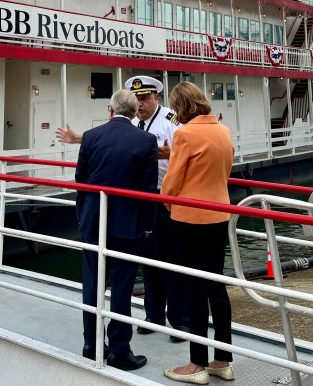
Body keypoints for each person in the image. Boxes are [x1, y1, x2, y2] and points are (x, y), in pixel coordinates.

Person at [76, 88, 157, 372]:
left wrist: (83, 218)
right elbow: (148, 191)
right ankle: (119, 349)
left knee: (92, 283)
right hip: (128, 225)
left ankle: (91, 343)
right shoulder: (146, 141)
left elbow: (81, 183)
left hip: (93, 221)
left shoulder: (90, 136)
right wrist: (148, 226)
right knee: (122, 287)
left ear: (110, 111)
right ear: (134, 114)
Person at [161, 82, 235, 385]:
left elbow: (172, 181)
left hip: (189, 219)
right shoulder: (223, 131)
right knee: (216, 286)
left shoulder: (185, 134)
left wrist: (167, 203)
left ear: (182, 107)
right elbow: (226, 172)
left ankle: (196, 364)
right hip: (219, 214)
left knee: (193, 288)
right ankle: (222, 361)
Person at [119, 75, 189, 340]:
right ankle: (153, 315)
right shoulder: (132, 124)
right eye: (136, 99)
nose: (140, 104)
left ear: (156, 98)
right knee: (148, 260)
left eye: (145, 98)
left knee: (172, 260)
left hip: (166, 200)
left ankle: (180, 321)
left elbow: (188, 148)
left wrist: (169, 153)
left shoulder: (171, 120)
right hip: (142, 201)